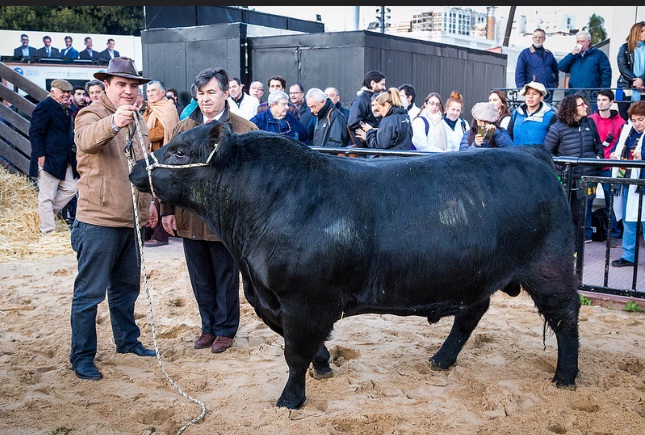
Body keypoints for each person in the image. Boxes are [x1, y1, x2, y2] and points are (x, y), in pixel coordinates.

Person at [70, 56, 157, 381]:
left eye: (133, 85)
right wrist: (113, 123)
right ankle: (82, 357)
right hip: (97, 220)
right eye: (122, 84)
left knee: (126, 289)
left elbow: (142, 166)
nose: (129, 91)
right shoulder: (91, 113)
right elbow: (85, 140)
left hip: (131, 221)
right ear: (106, 85)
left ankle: (128, 342)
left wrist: (149, 204)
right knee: (89, 293)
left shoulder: (140, 120)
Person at [161, 67, 258, 354]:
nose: (205, 99)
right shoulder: (183, 128)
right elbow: (168, 172)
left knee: (226, 275)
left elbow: (253, 180)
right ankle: (208, 327)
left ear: (226, 94)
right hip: (190, 216)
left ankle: (226, 330)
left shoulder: (243, 129)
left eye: (211, 92)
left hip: (226, 220)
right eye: (201, 93)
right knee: (199, 275)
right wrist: (166, 209)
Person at [544, 94, 603, 245]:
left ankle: (576, 248)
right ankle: (564, 247)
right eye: (581, 105)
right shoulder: (557, 127)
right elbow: (548, 152)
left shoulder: (589, 123)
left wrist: (598, 157)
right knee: (565, 214)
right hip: (567, 179)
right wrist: (563, 167)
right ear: (572, 108)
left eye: (585, 104)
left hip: (587, 177)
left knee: (581, 215)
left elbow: (598, 146)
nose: (585, 107)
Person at [28, 79, 79, 235]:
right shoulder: (44, 107)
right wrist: (40, 156)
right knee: (47, 196)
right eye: (63, 92)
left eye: (68, 92)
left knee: (72, 188)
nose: (66, 95)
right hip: (48, 158)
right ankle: (47, 232)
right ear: (52, 92)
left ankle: (44, 215)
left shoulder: (67, 109)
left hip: (64, 159)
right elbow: (35, 133)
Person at [142, 79, 179, 248]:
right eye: (148, 91)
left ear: (163, 92)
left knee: (160, 194)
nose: (150, 94)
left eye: (154, 91)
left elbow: (163, 131)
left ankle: (160, 235)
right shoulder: (149, 109)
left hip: (164, 156)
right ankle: (149, 231)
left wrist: (142, 133)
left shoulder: (168, 108)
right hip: (149, 155)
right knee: (150, 194)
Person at [610, 101, 645, 267]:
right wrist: (614, 154)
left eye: (641, 119)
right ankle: (629, 255)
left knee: (644, 220)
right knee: (628, 220)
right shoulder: (628, 131)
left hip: (641, 183)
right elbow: (619, 148)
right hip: (626, 180)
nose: (637, 123)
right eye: (634, 120)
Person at [589, 89, 627, 242]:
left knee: (612, 202)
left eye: (604, 100)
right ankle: (586, 234)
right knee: (587, 201)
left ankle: (614, 235)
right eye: (598, 100)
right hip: (592, 166)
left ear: (612, 102)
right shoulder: (590, 119)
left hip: (610, 167)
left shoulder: (621, 123)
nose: (601, 103)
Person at [558, 30, 612, 98]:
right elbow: (561, 67)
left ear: (589, 42)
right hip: (574, 93)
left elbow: (606, 73)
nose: (580, 43)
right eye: (578, 41)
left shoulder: (598, 54)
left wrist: (604, 91)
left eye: (582, 41)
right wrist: (571, 55)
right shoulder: (573, 56)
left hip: (592, 94)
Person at [515, 28, 559, 103]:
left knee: (547, 112)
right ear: (532, 38)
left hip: (547, 90)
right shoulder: (525, 53)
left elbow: (555, 70)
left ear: (544, 39)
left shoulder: (549, 54)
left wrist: (554, 84)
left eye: (540, 37)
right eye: (535, 37)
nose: (538, 39)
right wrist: (521, 87)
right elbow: (519, 71)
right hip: (532, 90)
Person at [507, 81, 557, 145]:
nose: (530, 96)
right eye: (528, 93)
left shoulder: (550, 116)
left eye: (535, 94)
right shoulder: (516, 113)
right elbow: (509, 135)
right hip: (516, 153)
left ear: (541, 97)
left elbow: (552, 142)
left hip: (536, 154)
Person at [347, 70, 387, 146]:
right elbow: (353, 122)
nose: (384, 87)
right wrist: (371, 129)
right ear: (372, 83)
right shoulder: (361, 100)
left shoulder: (366, 98)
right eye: (382, 84)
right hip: (364, 146)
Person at [616, 21, 645, 122]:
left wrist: (641, 80)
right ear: (635, 32)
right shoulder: (624, 48)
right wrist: (635, 80)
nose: (644, 33)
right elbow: (622, 67)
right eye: (642, 31)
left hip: (643, 87)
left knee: (642, 117)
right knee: (624, 118)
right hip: (624, 86)